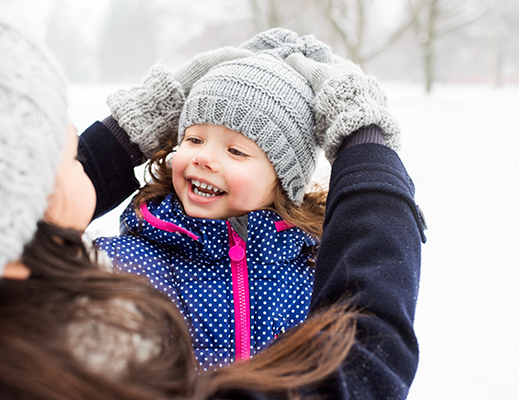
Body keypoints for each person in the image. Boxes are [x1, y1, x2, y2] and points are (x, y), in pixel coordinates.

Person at [0, 2, 425, 400]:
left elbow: (7, 207)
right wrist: (367, 148)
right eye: (53, 143)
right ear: (3, 244)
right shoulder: (113, 358)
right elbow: (364, 362)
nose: (81, 141)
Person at [93, 28, 404, 370]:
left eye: (236, 151)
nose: (204, 158)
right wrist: (142, 117)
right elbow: (35, 220)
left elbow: (368, 353)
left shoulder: (316, 271)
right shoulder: (133, 262)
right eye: (194, 139)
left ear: (284, 180)